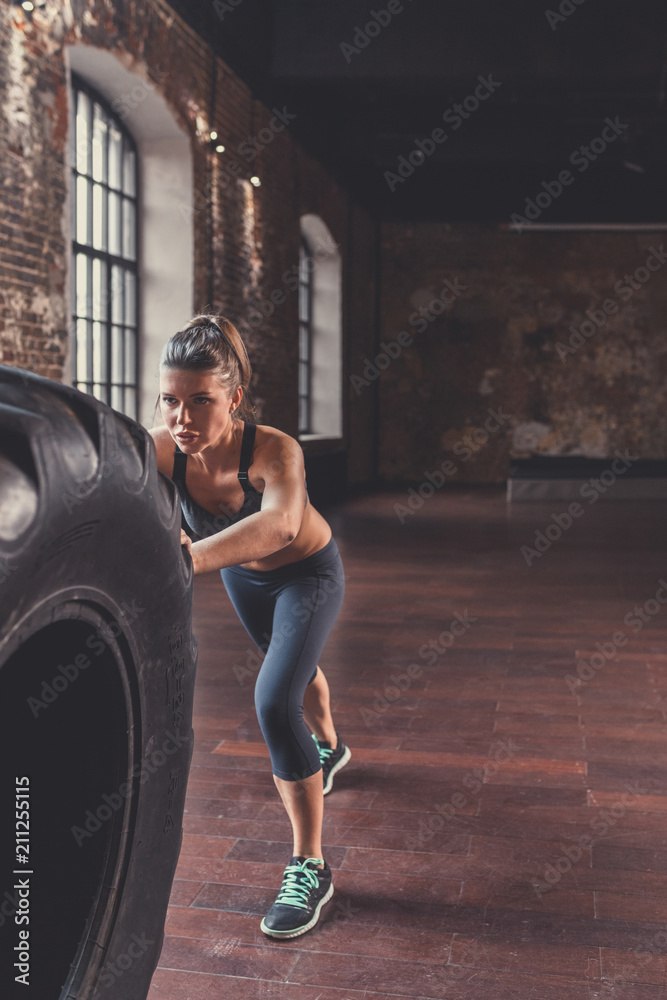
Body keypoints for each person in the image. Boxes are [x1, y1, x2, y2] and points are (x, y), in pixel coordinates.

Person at [148, 313, 351, 939]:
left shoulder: (275, 449)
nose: (183, 418)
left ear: (234, 399)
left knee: (272, 698)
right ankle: (332, 746)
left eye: (201, 401)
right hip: (244, 577)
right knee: (292, 670)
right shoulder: (159, 448)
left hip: (306, 574)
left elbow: (282, 525)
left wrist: (192, 558)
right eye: (171, 401)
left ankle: (309, 864)